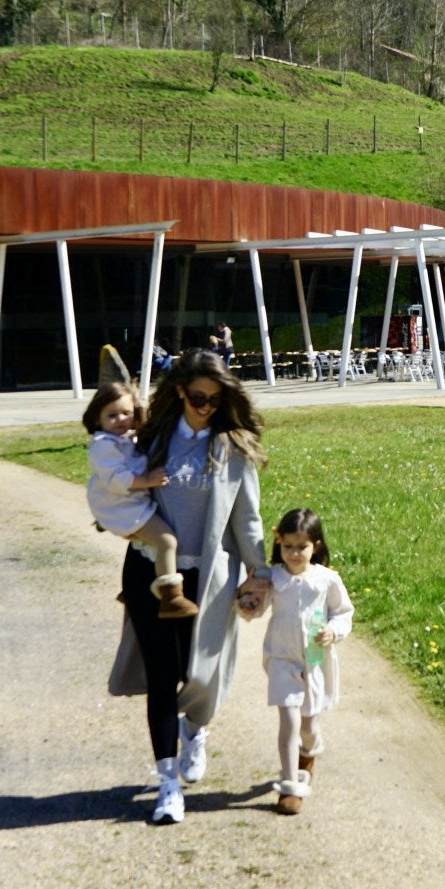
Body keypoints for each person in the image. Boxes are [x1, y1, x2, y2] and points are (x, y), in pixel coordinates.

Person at [120, 350, 274, 825]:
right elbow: (114, 484)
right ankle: (168, 784)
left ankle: (196, 728)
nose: (207, 406)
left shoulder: (233, 447)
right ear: (181, 392)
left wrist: (260, 572)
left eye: (216, 398)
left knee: (204, 675)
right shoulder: (155, 439)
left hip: (209, 578)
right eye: (199, 397)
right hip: (153, 574)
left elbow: (246, 519)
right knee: (163, 677)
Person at [259, 507, 353, 815]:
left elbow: (343, 612)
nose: (294, 553)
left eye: (302, 547)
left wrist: (333, 631)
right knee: (289, 721)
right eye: (287, 546)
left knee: (309, 725)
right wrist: (246, 602)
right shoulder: (272, 577)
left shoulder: (326, 580)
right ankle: (291, 787)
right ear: (279, 544)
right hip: (281, 660)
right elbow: (254, 606)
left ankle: (309, 753)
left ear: (317, 546)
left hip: (314, 662)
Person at [83, 382, 197, 619]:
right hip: (122, 507)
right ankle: (171, 597)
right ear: (97, 419)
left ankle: (133, 589)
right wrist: (147, 480)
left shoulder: (125, 439)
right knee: (166, 541)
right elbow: (117, 479)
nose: (121, 420)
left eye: (126, 413)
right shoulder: (103, 446)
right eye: (112, 415)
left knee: (149, 544)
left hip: (125, 505)